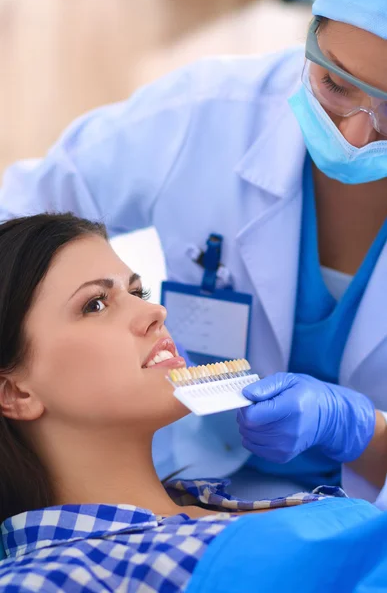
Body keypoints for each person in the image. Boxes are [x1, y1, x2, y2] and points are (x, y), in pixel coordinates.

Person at [1, 0, 387, 504]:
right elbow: (18, 240)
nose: (356, 135)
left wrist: (368, 433)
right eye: (334, 84)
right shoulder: (201, 118)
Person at [0, 212, 373, 593]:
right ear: (15, 393)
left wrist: (368, 432)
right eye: (95, 304)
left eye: (136, 292)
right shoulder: (44, 580)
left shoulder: (218, 502)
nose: (155, 312)